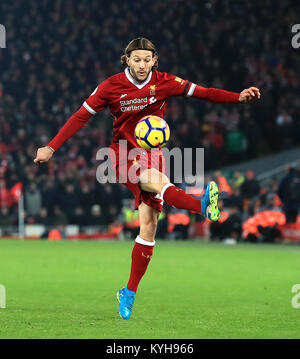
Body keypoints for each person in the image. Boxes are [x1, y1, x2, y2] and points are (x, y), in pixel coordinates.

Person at [33, 38, 260, 319]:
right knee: (154, 180)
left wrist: (237, 97)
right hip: (121, 153)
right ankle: (200, 205)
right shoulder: (111, 86)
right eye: (136, 59)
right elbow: (81, 116)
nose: (142, 64)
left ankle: (128, 292)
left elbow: (204, 92)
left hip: (153, 153)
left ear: (155, 61)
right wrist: (52, 146)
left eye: (147, 59)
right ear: (126, 60)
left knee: (149, 226)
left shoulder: (165, 81)